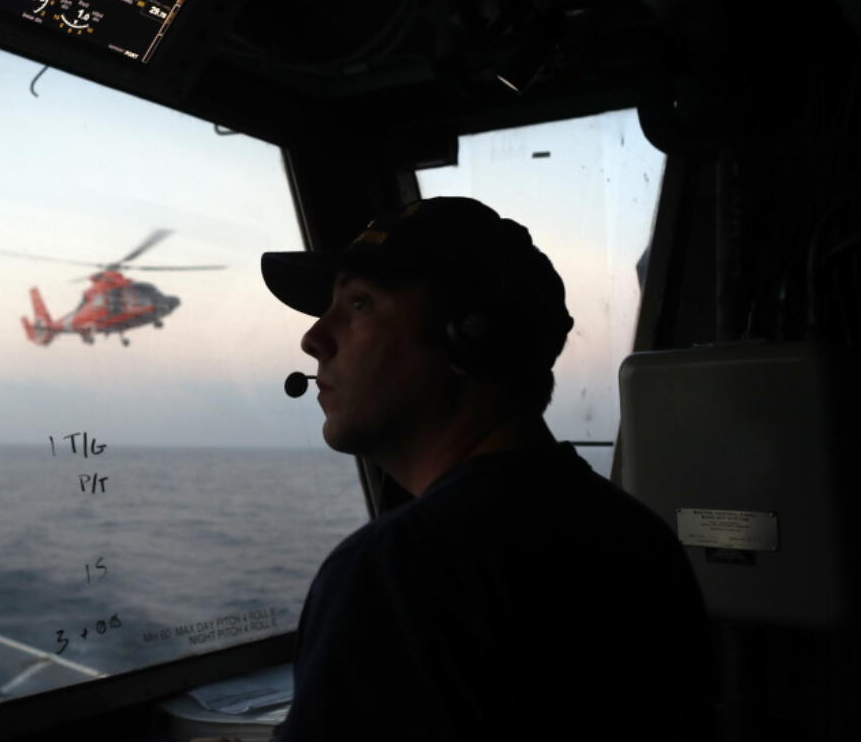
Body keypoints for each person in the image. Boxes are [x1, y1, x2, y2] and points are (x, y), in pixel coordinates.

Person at [258, 196, 715, 741]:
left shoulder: (396, 571)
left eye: (359, 304)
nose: (313, 338)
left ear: (472, 337)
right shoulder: (637, 537)